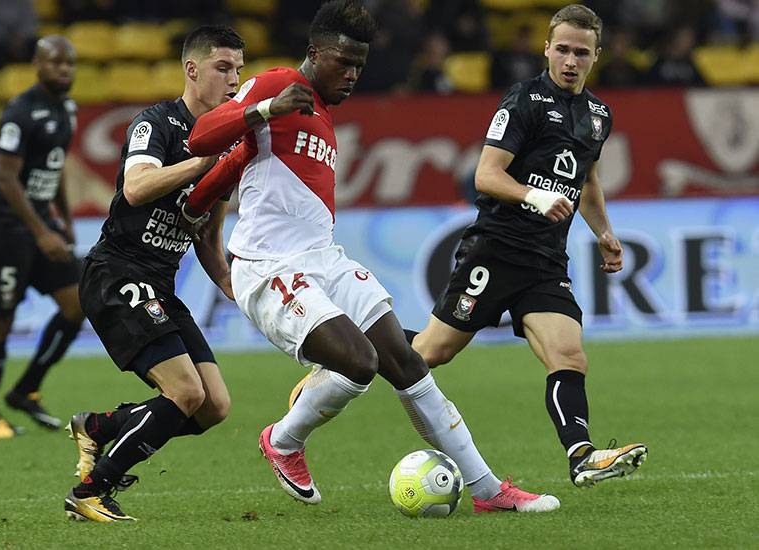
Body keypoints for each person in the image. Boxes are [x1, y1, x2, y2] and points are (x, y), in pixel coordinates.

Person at [180, 0, 559, 513]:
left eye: (360, 64)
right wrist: (265, 110)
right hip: (272, 266)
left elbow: (229, 168)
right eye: (344, 62)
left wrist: (199, 202)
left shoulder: (322, 117)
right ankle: (284, 440)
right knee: (360, 362)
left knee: (407, 361)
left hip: (323, 260)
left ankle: (490, 492)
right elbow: (202, 136)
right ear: (315, 53)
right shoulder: (275, 85)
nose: (354, 74)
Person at [407, 4, 648, 487]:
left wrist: (603, 231)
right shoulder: (525, 100)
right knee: (430, 353)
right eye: (562, 49)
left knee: (569, 355)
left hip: (544, 260)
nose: (570, 60)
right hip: (495, 250)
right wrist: (534, 195)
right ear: (546, 49)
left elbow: (588, 180)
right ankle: (350, 360)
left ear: (596, 56)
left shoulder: (599, 115)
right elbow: (486, 175)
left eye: (581, 52)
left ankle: (582, 457)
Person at [62, 25, 243, 523]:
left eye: (238, 71)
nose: (233, 81)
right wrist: (203, 161)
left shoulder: (228, 146)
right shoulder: (158, 122)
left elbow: (207, 235)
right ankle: (91, 493)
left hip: (158, 285)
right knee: (184, 393)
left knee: (213, 407)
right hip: (116, 273)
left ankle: (100, 426)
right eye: (222, 68)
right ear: (192, 69)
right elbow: (137, 188)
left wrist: (234, 288)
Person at [0, 35, 81, 439]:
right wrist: (40, 230)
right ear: (37, 63)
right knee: (1, 317)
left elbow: (56, 166)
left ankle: (25, 389)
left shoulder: (67, 108)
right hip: (5, 225)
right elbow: (5, 177)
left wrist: (63, 221)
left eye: (70, 63)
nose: (64, 70)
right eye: (56, 63)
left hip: (39, 222)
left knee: (77, 302)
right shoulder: (20, 113)